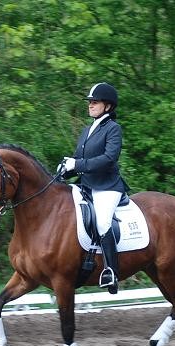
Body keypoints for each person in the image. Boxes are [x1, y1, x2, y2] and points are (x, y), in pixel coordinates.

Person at [60, 82, 128, 294]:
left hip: (107, 187)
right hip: (87, 185)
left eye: (95, 102)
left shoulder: (113, 129)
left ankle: (111, 271)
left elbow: (109, 159)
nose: (90, 105)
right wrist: (65, 169)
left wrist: (77, 165)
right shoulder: (87, 130)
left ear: (108, 106)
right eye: (90, 102)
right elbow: (79, 160)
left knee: (103, 221)